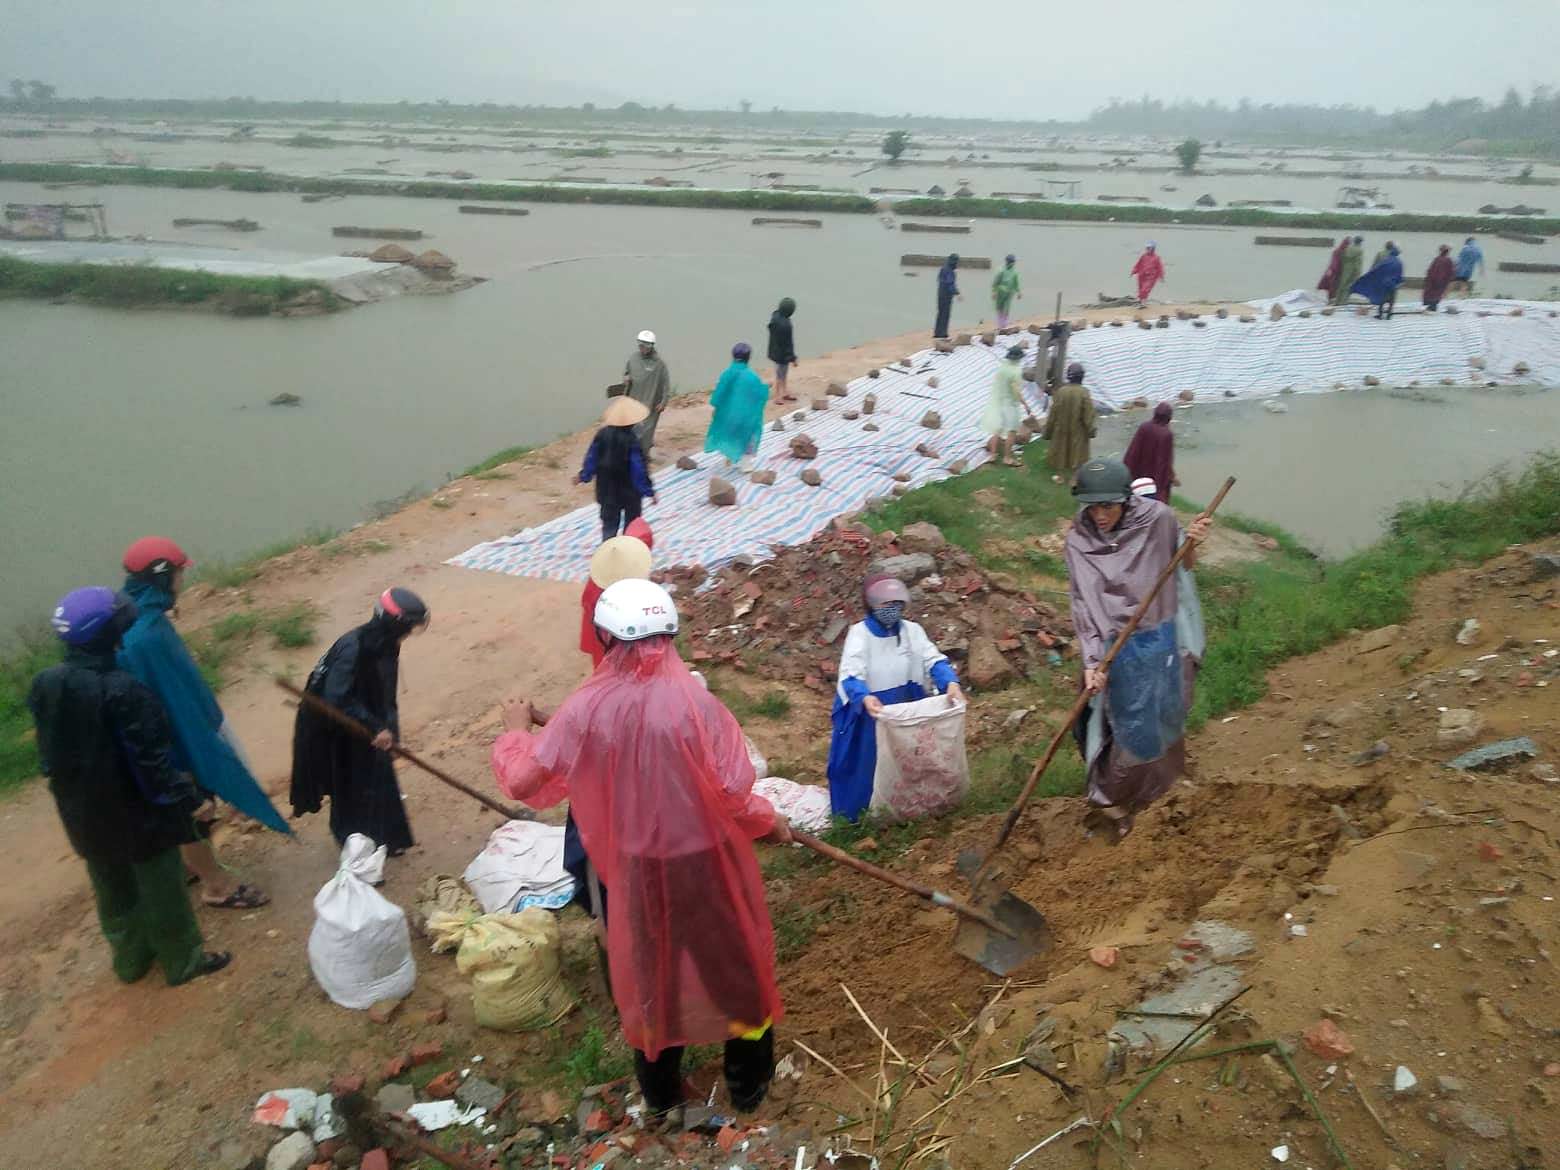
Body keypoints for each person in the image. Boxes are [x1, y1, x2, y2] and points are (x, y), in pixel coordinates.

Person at [491, 580, 789, 1117]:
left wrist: (515, 732)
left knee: (652, 975)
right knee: (735, 973)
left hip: (639, 873)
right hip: (706, 866)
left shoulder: (584, 711)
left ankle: (661, 1097)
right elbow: (734, 794)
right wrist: (771, 822)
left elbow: (524, 781)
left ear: (604, 637)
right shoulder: (696, 703)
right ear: (670, 634)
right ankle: (749, 1089)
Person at [29, 587, 231, 985]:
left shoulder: (46, 683)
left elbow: (48, 757)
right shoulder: (125, 691)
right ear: (113, 632)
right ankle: (183, 961)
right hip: (138, 817)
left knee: (112, 889)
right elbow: (152, 766)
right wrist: (189, 801)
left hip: (82, 812)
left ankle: (131, 961)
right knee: (162, 891)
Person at [118, 536, 281, 910]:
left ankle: (187, 866)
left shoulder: (138, 617)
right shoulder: (145, 637)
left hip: (161, 741)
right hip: (171, 746)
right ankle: (217, 886)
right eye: (178, 573)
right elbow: (164, 702)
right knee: (191, 812)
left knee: (184, 814)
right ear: (162, 577)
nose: (182, 581)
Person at [1065, 460, 1211, 841]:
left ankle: (1164, 788)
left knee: (1166, 712)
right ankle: (1115, 801)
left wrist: (1191, 540)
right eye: (1093, 507)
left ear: (1127, 501)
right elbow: (1084, 602)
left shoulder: (1158, 520)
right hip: (1114, 644)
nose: (1100, 515)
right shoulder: (1079, 540)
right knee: (1129, 727)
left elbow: (1185, 566)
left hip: (1158, 636)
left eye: (1108, 506)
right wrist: (1093, 661)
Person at [289, 588, 430, 856]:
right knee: (350, 784)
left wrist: (390, 733)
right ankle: (356, 852)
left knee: (379, 774)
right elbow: (335, 697)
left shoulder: (387, 644)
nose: (411, 631)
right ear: (395, 623)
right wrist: (375, 727)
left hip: (363, 719)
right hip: (334, 725)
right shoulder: (354, 647)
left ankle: (386, 838)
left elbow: (385, 694)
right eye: (410, 625)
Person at [826, 575, 965, 821]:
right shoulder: (859, 634)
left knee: (905, 762)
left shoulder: (913, 631)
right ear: (871, 605)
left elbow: (933, 659)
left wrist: (950, 682)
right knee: (864, 765)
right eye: (885, 604)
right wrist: (864, 697)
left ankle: (905, 810)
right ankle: (856, 818)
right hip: (869, 712)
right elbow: (851, 673)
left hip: (903, 708)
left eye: (897, 604)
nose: (892, 609)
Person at [579, 397, 658, 543]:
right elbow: (638, 471)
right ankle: (628, 551)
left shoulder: (601, 435)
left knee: (609, 526)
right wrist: (649, 491)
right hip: (629, 493)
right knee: (631, 526)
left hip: (606, 491)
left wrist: (584, 476)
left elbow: (592, 458)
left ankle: (608, 552)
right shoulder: (633, 441)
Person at [579, 521, 653, 669]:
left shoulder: (603, 570)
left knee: (603, 665)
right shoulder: (626, 581)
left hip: (599, 626)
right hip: (609, 631)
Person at [704, 342, 770, 471]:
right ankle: (745, 464)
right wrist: (766, 388)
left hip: (728, 415)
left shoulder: (726, 374)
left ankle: (728, 457)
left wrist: (716, 408)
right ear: (748, 357)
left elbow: (719, 394)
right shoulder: (752, 376)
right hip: (745, 416)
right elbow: (758, 395)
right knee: (749, 433)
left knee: (729, 434)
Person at [1041, 361, 1096, 485]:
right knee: (1078, 453)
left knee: (1061, 450)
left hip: (1061, 428)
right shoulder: (1084, 392)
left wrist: (1048, 431)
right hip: (1079, 429)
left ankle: (1060, 476)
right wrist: (1091, 430)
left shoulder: (1061, 391)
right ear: (1081, 377)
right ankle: (1074, 479)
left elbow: (1053, 413)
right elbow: (1088, 414)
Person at [621, 330, 672, 455]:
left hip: (651, 403)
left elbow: (666, 384)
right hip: (634, 400)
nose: (642, 347)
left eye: (646, 344)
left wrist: (663, 402)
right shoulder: (633, 358)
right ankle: (629, 454)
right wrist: (626, 378)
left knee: (646, 431)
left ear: (652, 346)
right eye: (640, 344)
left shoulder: (659, 364)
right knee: (630, 428)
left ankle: (644, 455)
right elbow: (626, 373)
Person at [980, 345, 1031, 468]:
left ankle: (992, 455)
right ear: (1018, 358)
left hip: (999, 402)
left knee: (997, 429)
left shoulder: (1002, 368)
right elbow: (1016, 391)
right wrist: (1025, 404)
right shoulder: (1016, 371)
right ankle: (1007, 457)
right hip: (1010, 405)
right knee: (1012, 431)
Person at [1123, 401, 1177, 504]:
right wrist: (1170, 476)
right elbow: (1165, 460)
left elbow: (1133, 451)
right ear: (1168, 417)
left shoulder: (1144, 427)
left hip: (1139, 470)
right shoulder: (1166, 434)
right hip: (1156, 474)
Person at [1352, 242, 1404, 319]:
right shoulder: (1399, 262)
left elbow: (1378, 268)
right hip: (1393, 284)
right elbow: (1400, 274)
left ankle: (1380, 314)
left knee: (1382, 298)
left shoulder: (1387, 260)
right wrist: (1399, 282)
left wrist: (1371, 275)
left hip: (1385, 282)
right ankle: (1389, 314)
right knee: (1392, 299)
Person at [766, 298, 799, 404]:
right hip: (782, 355)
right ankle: (777, 397)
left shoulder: (775, 317)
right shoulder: (786, 326)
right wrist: (793, 358)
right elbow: (788, 344)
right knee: (780, 376)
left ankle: (784, 392)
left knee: (782, 374)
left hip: (774, 351)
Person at [991, 254, 1022, 330]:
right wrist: (994, 292)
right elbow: (995, 283)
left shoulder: (1014, 272)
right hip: (1000, 293)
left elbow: (1016, 283)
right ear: (1007, 262)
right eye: (1011, 261)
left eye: (1013, 262)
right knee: (999, 308)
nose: (1012, 263)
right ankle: (1000, 325)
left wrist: (1019, 292)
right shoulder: (1001, 270)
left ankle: (1004, 325)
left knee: (1006, 309)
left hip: (1009, 293)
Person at [933, 253, 961, 339]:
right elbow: (950, 284)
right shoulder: (949, 270)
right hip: (946, 295)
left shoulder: (943, 268)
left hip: (940, 294)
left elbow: (940, 280)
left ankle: (937, 332)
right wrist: (957, 293)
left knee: (940, 313)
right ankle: (942, 333)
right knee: (945, 314)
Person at [1332, 236, 1364, 305]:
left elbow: (1343, 258)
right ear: (1360, 242)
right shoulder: (1359, 250)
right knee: (1349, 286)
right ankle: (1343, 301)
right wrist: (1358, 273)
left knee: (1342, 284)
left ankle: (1337, 300)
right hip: (1353, 269)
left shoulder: (1348, 248)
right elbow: (1358, 263)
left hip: (1345, 268)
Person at [1423, 244, 1455, 312]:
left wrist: (1427, 279)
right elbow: (1451, 272)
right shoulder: (1448, 260)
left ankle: (1431, 307)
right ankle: (1432, 308)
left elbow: (1430, 270)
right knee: (1436, 296)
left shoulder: (1437, 259)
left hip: (1433, 281)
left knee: (1432, 295)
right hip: (1441, 282)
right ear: (1447, 252)